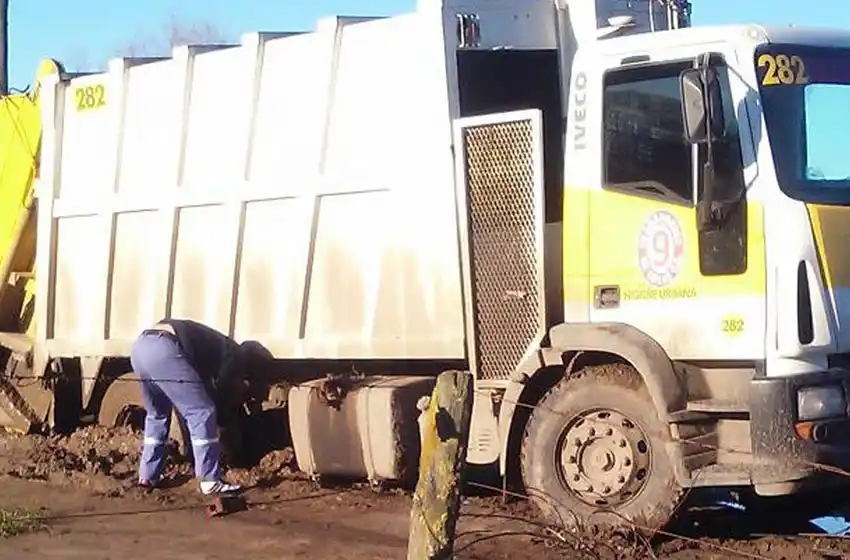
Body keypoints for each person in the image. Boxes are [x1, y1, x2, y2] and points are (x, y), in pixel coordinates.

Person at [129, 318, 272, 495]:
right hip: (166, 348)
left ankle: (148, 476)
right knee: (202, 412)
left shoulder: (213, 347)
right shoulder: (234, 355)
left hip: (141, 347)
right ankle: (210, 479)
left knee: (157, 414)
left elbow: (201, 385)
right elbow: (222, 394)